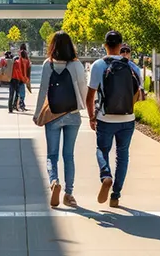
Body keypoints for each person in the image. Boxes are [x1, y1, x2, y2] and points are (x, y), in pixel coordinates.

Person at [86, 30, 143, 208]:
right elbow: (138, 94)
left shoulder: (98, 65)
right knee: (123, 155)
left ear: (105, 45)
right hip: (127, 119)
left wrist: (91, 117)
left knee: (102, 150)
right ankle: (116, 195)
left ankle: (106, 176)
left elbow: (90, 96)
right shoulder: (132, 67)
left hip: (105, 118)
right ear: (120, 45)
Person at [34, 31, 87, 208]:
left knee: (52, 155)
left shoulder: (47, 65)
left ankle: (54, 181)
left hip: (53, 115)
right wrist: (86, 108)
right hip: (72, 115)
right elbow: (83, 89)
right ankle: (69, 194)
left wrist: (36, 114)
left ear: (53, 46)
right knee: (69, 155)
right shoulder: (76, 65)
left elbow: (42, 91)